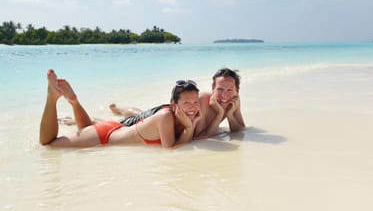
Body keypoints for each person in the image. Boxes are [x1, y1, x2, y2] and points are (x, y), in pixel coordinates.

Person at [40, 69, 200, 149]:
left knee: (86, 128)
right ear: (174, 104)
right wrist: (189, 127)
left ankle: (74, 102)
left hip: (114, 129)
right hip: (105, 136)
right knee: (48, 144)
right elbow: (170, 152)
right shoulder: (165, 116)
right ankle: (51, 98)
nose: (193, 107)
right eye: (187, 103)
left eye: (195, 102)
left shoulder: (185, 115)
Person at [109, 67, 245, 139]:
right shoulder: (202, 101)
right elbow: (197, 137)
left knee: (140, 113)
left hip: (165, 121)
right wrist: (220, 113)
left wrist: (230, 115)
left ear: (237, 91)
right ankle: (117, 111)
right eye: (220, 89)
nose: (225, 95)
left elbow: (239, 130)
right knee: (125, 124)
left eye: (229, 90)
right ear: (212, 89)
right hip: (165, 116)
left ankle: (120, 109)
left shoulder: (234, 101)